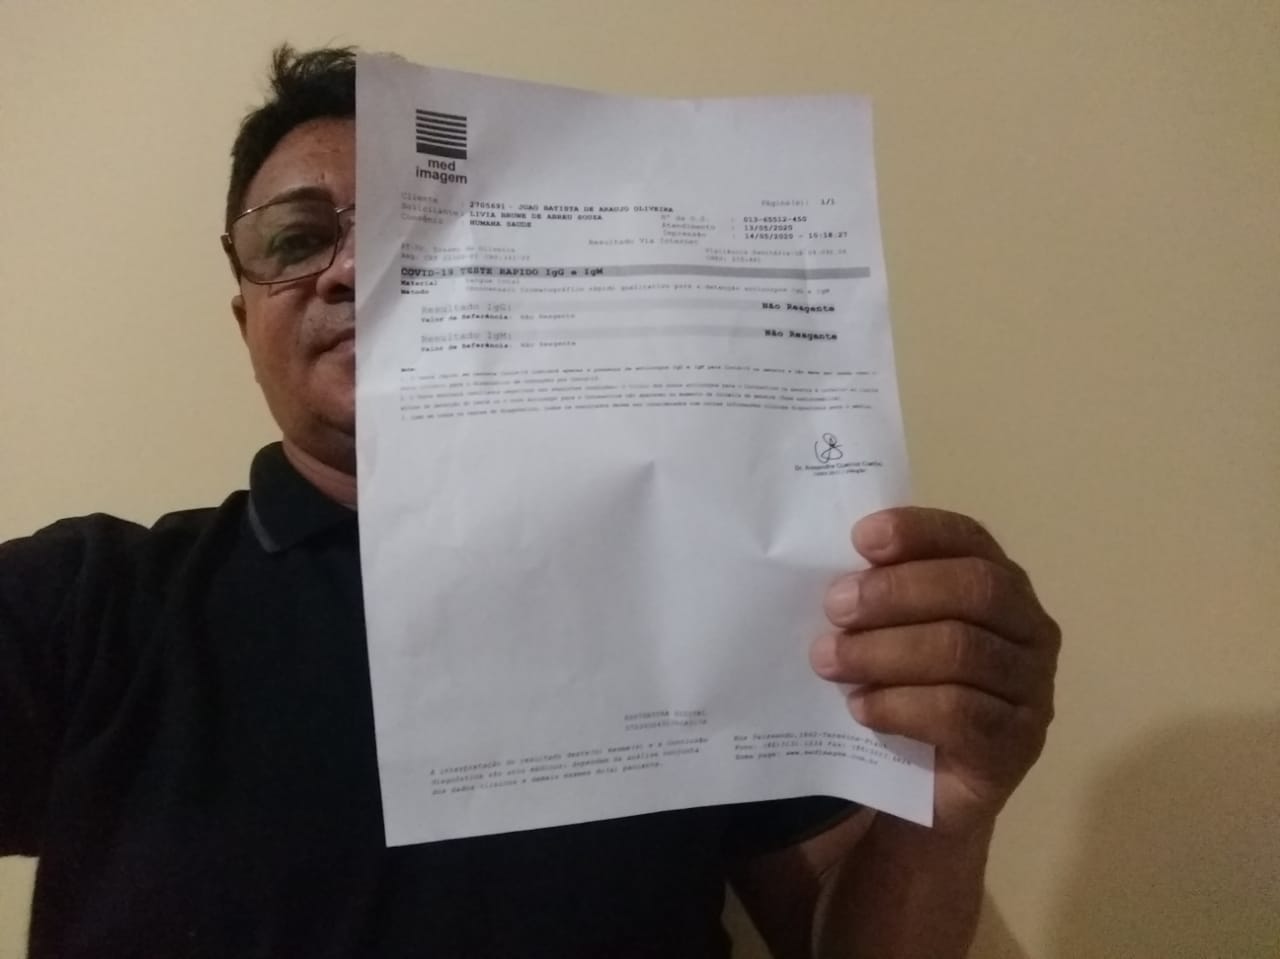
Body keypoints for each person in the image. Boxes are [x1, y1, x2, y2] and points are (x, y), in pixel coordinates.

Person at [0, 46, 1060, 959]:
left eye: (411, 227)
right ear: (245, 320)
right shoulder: (92, 602)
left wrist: (950, 808)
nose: (353, 268)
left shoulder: (706, 574)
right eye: (294, 239)